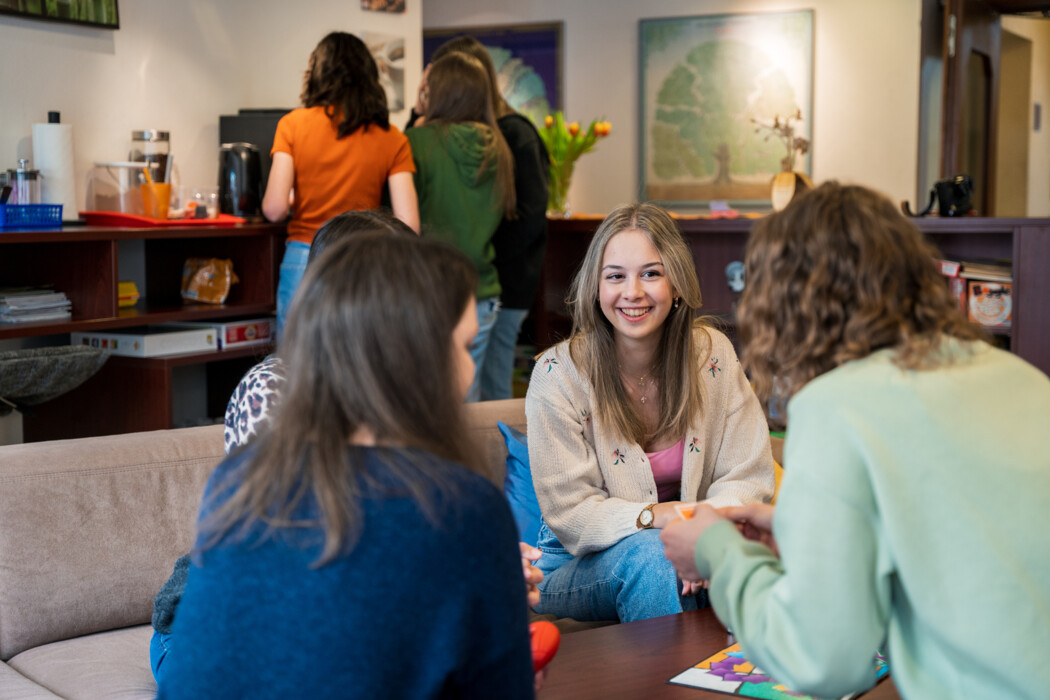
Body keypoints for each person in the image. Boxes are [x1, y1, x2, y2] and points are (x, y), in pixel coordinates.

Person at [661, 182, 1050, 699]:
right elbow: (965, 540)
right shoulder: (1021, 378)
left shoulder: (837, 407)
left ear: (784, 306)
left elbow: (822, 659)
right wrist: (806, 529)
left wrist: (717, 552)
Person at [155, 232, 534, 699]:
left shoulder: (238, 480)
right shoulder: (465, 509)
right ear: (412, 359)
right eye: (462, 346)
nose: (470, 369)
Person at [525, 202, 776, 623]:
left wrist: (704, 535)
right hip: (571, 564)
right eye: (616, 276)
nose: (633, 292)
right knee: (653, 556)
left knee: (776, 549)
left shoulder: (713, 354)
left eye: (651, 273)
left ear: (676, 283)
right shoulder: (556, 374)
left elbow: (746, 474)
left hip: (683, 543)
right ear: (596, 287)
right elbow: (573, 513)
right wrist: (658, 519)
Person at [408, 36, 549, 400]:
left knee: (436, 398)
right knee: (480, 394)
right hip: (486, 287)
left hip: (439, 286)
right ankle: (493, 458)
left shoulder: (419, 142)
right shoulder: (498, 144)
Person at [262, 31, 420, 338]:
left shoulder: (293, 124)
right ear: (370, 77)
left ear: (317, 74)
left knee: (296, 366)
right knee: (360, 360)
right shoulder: (393, 138)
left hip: (305, 258)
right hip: (365, 259)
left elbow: (274, 208)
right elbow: (409, 226)